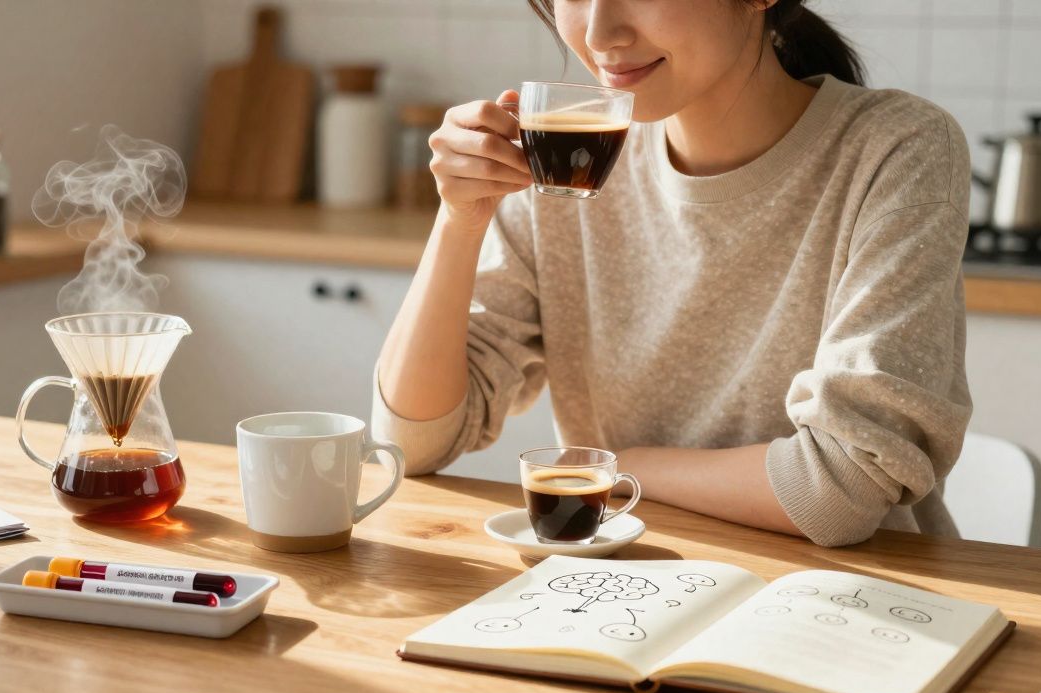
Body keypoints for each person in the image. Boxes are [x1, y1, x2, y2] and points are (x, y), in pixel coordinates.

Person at [371, 0, 973, 547]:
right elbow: (415, 444)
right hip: (625, 591)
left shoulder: (897, 149)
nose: (601, 33)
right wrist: (460, 219)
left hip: (852, 604)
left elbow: (838, 490)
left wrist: (624, 467)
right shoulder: (571, 159)